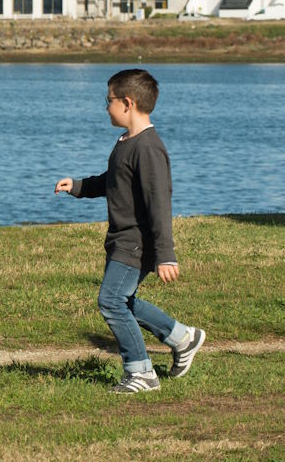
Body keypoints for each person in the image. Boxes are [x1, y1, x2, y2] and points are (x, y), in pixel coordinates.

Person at [55, 69, 205, 394]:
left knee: (110, 301)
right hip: (122, 240)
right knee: (123, 299)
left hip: (136, 244)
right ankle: (183, 337)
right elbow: (113, 181)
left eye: (107, 100)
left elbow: (159, 204)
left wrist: (165, 254)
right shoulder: (126, 142)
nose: (105, 107)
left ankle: (141, 373)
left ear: (127, 103)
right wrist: (79, 186)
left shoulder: (148, 149)